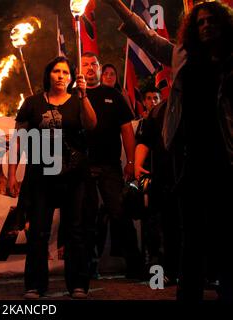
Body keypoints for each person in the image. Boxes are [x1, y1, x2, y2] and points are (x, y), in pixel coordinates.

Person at [104, 0, 233, 301]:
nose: (205, 26)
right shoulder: (182, 54)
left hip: (226, 157)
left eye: (210, 20)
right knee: (192, 234)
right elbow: (146, 37)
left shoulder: (230, 59)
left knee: (226, 232)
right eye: (199, 22)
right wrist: (117, 5)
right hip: (191, 158)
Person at [7, 56, 97, 299]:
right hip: (40, 177)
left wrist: (84, 95)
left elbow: (91, 125)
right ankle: (35, 284)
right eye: (56, 71)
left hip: (73, 175)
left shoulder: (78, 102)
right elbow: (18, 140)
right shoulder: (31, 104)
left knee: (75, 229)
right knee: (38, 231)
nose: (60, 76)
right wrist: (12, 173)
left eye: (65, 72)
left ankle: (78, 283)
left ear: (71, 78)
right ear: (48, 75)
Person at [82, 52, 143, 280]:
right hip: (82, 168)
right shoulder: (73, 95)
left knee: (120, 214)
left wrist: (130, 162)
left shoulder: (114, 95)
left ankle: (135, 267)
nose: (90, 68)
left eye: (94, 64)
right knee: (86, 217)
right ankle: (88, 268)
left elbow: (127, 130)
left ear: (99, 69)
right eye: (85, 64)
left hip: (110, 167)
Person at [134, 99, 180, 287]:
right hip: (165, 179)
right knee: (164, 228)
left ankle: (206, 275)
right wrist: (137, 164)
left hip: (195, 177)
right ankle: (162, 275)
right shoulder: (158, 110)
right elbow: (145, 140)